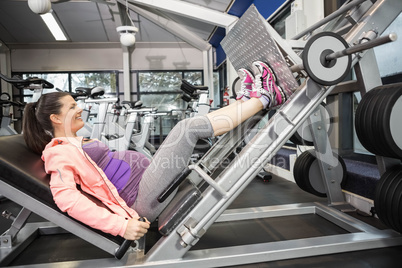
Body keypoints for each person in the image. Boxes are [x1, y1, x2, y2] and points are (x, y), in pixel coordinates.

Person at [22, 61, 290, 241]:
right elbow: (67, 199)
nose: (79, 107)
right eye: (71, 107)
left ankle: (248, 101)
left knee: (185, 131)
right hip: (142, 199)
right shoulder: (58, 153)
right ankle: (265, 98)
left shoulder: (76, 141)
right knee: (186, 130)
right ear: (56, 119)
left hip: (145, 182)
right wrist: (121, 226)